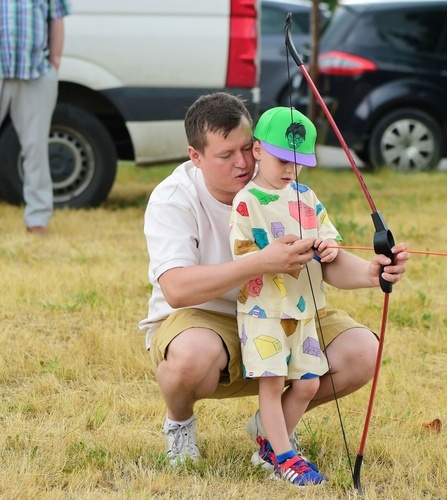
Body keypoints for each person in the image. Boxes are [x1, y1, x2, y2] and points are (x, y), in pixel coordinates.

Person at [138, 92, 409, 472]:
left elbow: (326, 259)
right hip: (204, 320)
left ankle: (273, 431)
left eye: (248, 148)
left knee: (364, 350)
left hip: (283, 311)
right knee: (191, 359)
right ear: (195, 157)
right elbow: (177, 290)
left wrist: (372, 272)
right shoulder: (173, 198)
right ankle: (179, 424)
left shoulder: (285, 188)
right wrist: (260, 262)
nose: (243, 163)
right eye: (226, 154)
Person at [229, 106, 341, 485]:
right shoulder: (247, 200)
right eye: (282, 159)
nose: (291, 169)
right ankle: (286, 458)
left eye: (299, 162)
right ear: (258, 149)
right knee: (273, 382)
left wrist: (328, 247)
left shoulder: (306, 196)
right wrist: (274, 254)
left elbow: (328, 232)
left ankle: (268, 445)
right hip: (264, 311)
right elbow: (243, 253)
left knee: (308, 383)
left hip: (304, 308)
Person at [0, 0, 71, 236]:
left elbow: (57, 18)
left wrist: (55, 64)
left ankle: (37, 219)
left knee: (36, 148)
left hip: (36, 74)